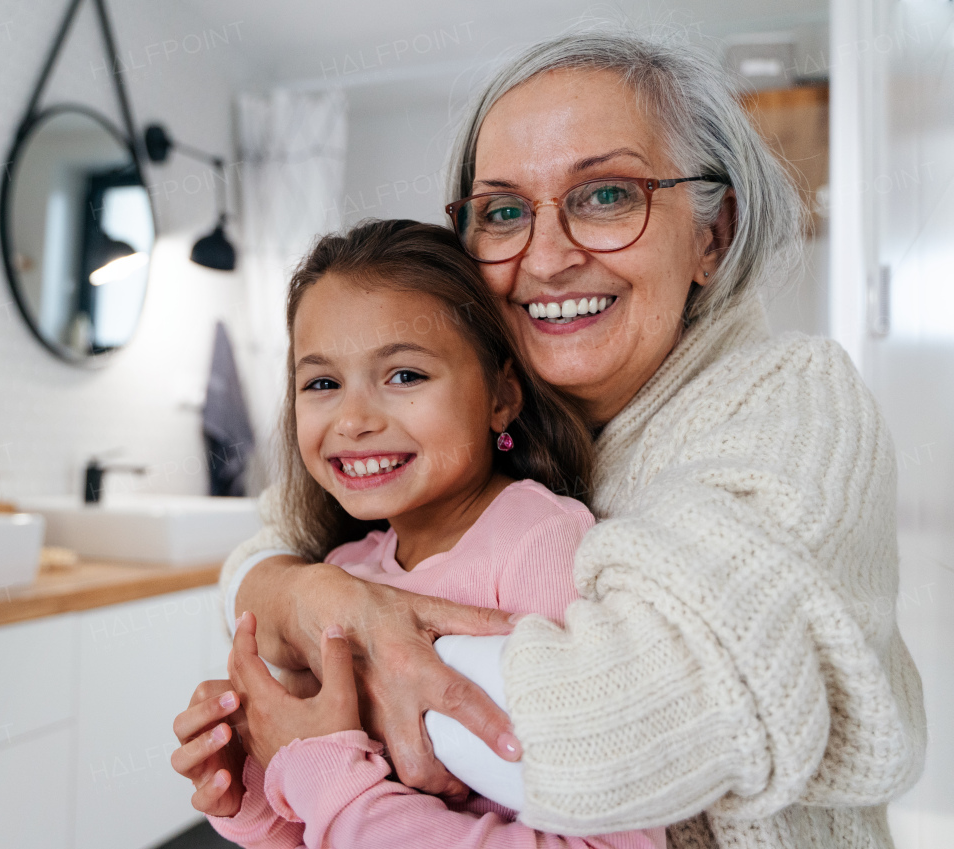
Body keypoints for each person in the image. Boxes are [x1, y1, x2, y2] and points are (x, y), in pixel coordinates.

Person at [206, 30, 926, 849]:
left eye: (606, 195)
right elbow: (261, 558)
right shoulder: (489, 412)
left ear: (713, 233)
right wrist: (313, 603)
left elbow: (620, 722)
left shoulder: (794, 402)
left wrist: (318, 703)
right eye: (505, 212)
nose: (545, 257)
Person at [173, 219, 664, 848]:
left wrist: (322, 773)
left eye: (404, 376)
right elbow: (331, 827)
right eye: (322, 383)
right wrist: (256, 785)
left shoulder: (542, 549)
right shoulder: (344, 573)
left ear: (501, 395)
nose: (352, 420)